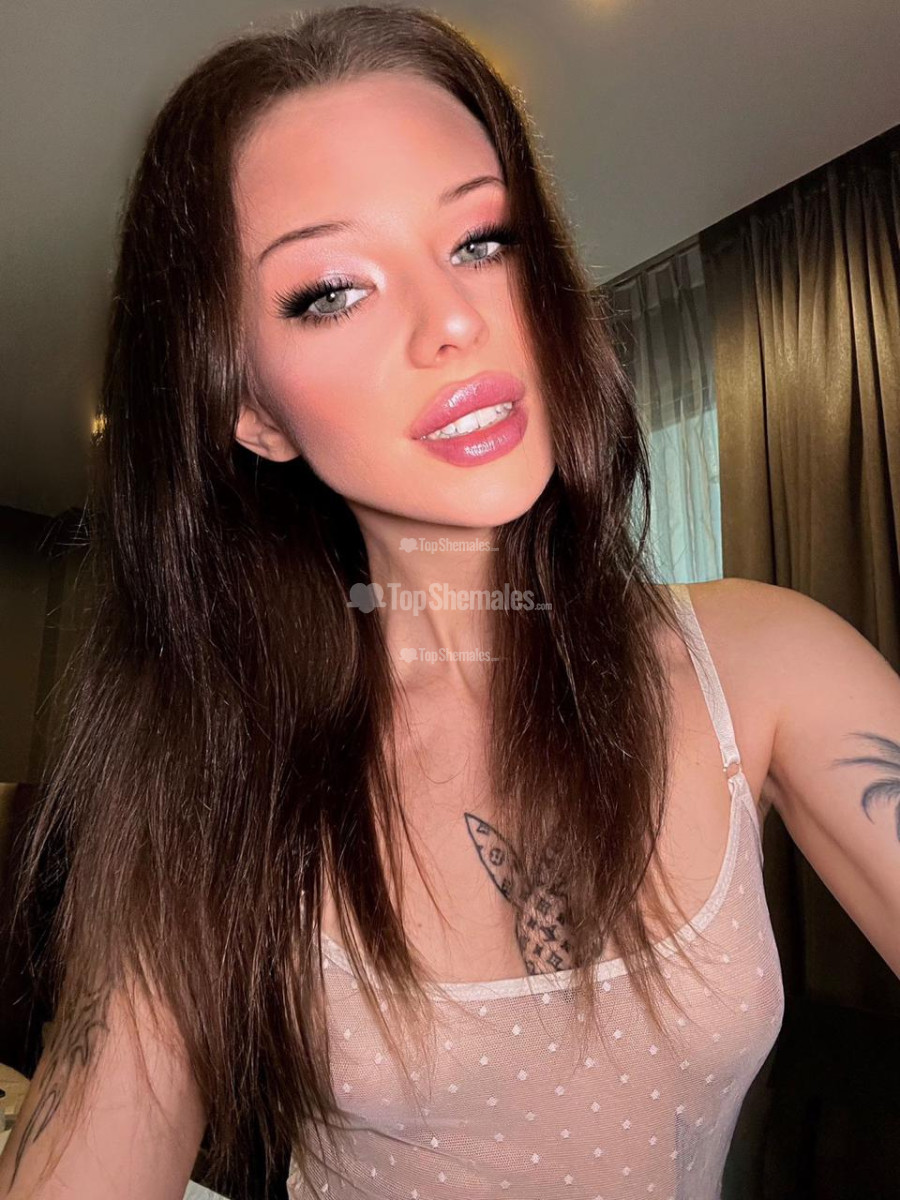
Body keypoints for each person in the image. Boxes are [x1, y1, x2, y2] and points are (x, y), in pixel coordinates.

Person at [3, 5, 899, 1199]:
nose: (457, 321)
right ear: (252, 410)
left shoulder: (765, 664)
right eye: (332, 290)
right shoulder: (221, 772)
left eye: (482, 240)